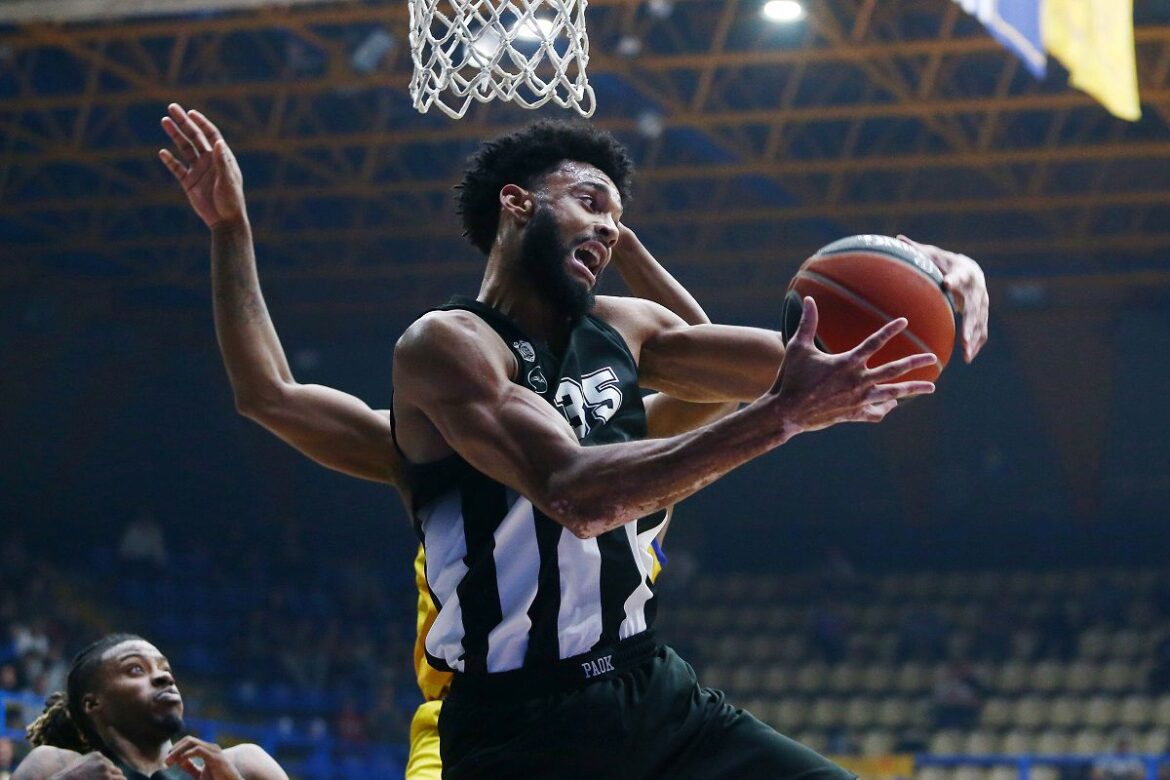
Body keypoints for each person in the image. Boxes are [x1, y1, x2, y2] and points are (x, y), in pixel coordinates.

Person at [164, 108, 988, 779]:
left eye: (619, 219)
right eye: (590, 201)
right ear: (517, 203)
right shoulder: (445, 348)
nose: (608, 227)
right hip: (518, 727)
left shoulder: (626, 335)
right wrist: (230, 228)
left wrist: (920, 273)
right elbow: (574, 492)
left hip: (648, 688)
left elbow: (811, 363)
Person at [158, 103, 738, 779]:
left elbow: (717, 378)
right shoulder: (431, 437)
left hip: (622, 694)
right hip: (482, 717)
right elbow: (269, 393)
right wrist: (230, 229)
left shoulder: (619, 433)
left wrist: (618, 242)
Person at [13, 633, 288, 780]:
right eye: (135, 669)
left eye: (166, 669)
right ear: (93, 703)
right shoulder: (54, 765)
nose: (164, 677)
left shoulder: (245, 764)